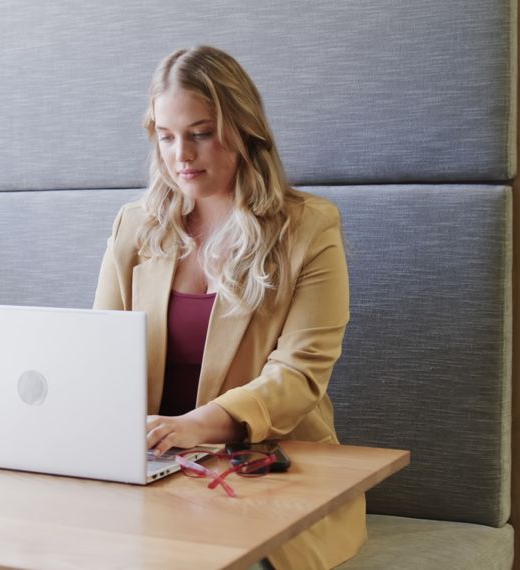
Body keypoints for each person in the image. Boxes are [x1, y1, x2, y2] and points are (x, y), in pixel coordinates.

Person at [93, 46, 363, 570]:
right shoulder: (134, 226)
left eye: (200, 133)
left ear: (243, 128)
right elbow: (97, 352)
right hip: (153, 473)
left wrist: (197, 424)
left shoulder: (308, 229)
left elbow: (300, 377)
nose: (182, 156)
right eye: (167, 137)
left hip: (264, 474)